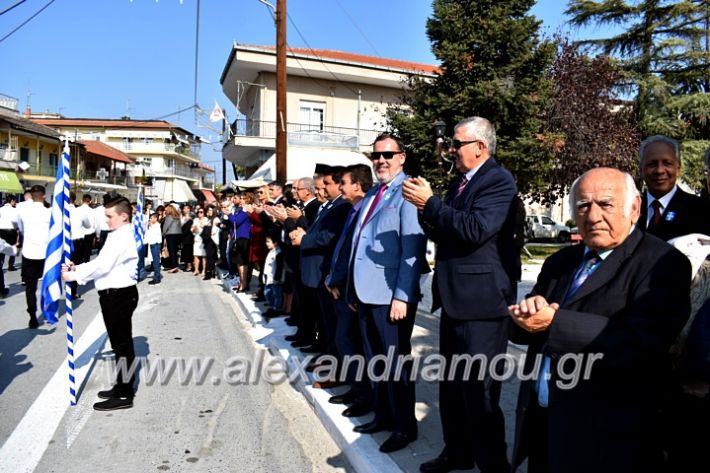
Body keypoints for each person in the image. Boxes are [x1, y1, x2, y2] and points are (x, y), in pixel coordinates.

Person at [508, 168, 691, 473]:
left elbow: (641, 341)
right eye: (582, 206)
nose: (592, 216)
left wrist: (555, 322)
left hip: (608, 439)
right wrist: (525, 315)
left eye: (605, 204)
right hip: (545, 425)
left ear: (634, 209)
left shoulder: (662, 264)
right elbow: (528, 331)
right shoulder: (560, 262)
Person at [403, 117, 518, 473]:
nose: (451, 150)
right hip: (456, 301)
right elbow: (446, 230)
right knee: (452, 389)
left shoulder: (498, 181)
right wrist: (426, 209)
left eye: (457, 144)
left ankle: (492, 465)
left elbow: (476, 228)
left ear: (480, 147)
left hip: (482, 304)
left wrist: (432, 204)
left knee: (480, 394)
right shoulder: (461, 182)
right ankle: (457, 453)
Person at [348, 133, 427, 453]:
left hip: (390, 297)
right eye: (376, 155)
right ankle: (383, 415)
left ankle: (405, 427)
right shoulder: (374, 194)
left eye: (388, 155)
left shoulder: (408, 193)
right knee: (375, 361)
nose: (381, 160)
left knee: (395, 365)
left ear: (402, 157)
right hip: (366, 293)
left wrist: (403, 295)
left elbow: (413, 248)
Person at [62, 196, 139, 411]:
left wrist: (75, 276)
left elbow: (103, 266)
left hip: (119, 295)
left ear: (124, 216)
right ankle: (121, 387)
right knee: (119, 345)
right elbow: (101, 263)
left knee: (122, 346)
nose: (106, 220)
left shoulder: (120, 237)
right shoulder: (119, 234)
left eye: (110, 216)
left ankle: (124, 394)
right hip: (117, 294)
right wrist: (77, 269)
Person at [325, 164, 374, 417]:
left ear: (357, 185)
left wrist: (338, 280)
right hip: (342, 286)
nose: (340, 186)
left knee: (350, 340)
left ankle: (364, 395)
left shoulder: (365, 210)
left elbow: (355, 255)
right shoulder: (353, 210)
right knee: (346, 340)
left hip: (351, 289)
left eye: (343, 182)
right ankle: (357, 390)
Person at [637, 135, 710, 239]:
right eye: (652, 164)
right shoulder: (629, 208)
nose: (659, 170)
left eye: (667, 163)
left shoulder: (702, 211)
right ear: (641, 170)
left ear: (678, 168)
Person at [16, 185, 51, 328]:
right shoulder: (50, 213)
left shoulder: (23, 212)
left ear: (31, 196)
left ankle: (32, 316)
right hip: (45, 253)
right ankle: (49, 311)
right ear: (43, 196)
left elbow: (22, 229)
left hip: (29, 252)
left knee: (30, 287)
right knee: (48, 284)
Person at [67, 192, 92, 299]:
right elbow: (88, 225)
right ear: (75, 199)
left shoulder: (57, 211)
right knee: (74, 266)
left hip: (62, 242)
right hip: (76, 242)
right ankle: (73, 292)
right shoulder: (80, 211)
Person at [0, 196, 19, 297]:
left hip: (1, 231)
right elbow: (16, 223)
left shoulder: (0, 209)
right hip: (11, 231)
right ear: (11, 201)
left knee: (1, 251)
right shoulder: (14, 210)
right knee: (12, 249)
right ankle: (11, 265)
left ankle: (2, 263)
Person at [262, 234, 284, 316]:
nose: (266, 243)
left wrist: (277, 278)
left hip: (275, 279)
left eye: (268, 242)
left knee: (277, 295)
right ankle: (271, 307)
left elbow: (279, 267)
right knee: (267, 293)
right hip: (269, 278)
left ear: (275, 243)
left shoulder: (278, 253)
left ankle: (276, 309)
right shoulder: (271, 252)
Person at [162, 204, 181, 273]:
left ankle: (174, 267)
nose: (165, 210)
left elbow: (165, 227)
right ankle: (175, 265)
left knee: (171, 251)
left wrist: (163, 234)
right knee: (175, 251)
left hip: (171, 235)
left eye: (166, 209)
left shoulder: (169, 217)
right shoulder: (177, 217)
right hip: (178, 235)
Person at [144, 212, 163, 285]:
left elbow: (151, 236)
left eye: (151, 218)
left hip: (155, 244)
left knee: (156, 262)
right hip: (153, 245)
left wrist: (144, 242)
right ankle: (156, 277)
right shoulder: (153, 226)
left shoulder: (156, 226)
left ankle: (157, 278)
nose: (150, 219)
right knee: (155, 261)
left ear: (155, 218)